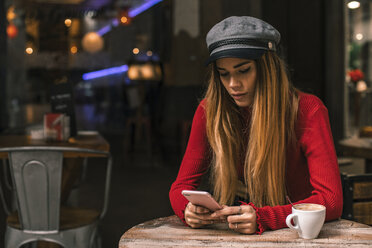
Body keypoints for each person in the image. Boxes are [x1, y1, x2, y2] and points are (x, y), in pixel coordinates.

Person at [169, 16, 343, 234]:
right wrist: (187, 209)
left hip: (300, 235)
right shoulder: (210, 111)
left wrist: (265, 217)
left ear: (267, 67)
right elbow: (179, 188)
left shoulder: (308, 110)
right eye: (224, 74)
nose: (233, 84)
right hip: (240, 234)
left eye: (243, 70)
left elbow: (332, 200)